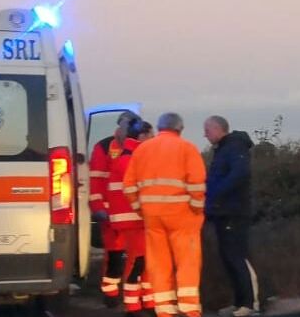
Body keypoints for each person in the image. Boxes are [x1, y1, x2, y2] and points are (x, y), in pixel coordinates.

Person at [124, 112, 207, 317]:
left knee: (158, 262)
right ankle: (189, 309)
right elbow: (197, 183)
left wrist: (140, 209)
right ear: (180, 128)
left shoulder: (142, 149)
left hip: (152, 216)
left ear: (160, 128)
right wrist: (196, 209)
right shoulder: (187, 148)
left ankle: (164, 309)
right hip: (182, 215)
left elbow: (128, 185)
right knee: (187, 261)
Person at [89, 111, 155, 317]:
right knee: (116, 255)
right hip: (112, 211)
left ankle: (143, 297)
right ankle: (111, 292)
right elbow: (96, 179)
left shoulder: (138, 148)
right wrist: (98, 206)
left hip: (135, 212)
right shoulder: (104, 146)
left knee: (140, 257)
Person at [203, 116, 260, 317]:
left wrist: (216, 193)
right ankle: (239, 302)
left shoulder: (235, 147)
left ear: (218, 129)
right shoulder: (222, 150)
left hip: (234, 212)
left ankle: (250, 304)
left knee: (237, 257)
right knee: (228, 257)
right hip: (222, 213)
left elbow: (239, 174)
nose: (205, 135)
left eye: (207, 130)